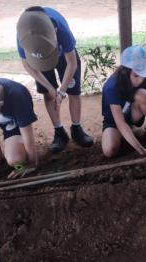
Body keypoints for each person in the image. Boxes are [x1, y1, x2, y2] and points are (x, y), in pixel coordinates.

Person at [16, 6, 93, 153]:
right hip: (38, 59)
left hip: (63, 56)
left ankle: (76, 128)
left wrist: (62, 91)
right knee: (48, 94)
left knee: (73, 91)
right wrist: (51, 88)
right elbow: (28, 66)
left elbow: (72, 63)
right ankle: (59, 132)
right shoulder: (23, 37)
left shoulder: (61, 30)